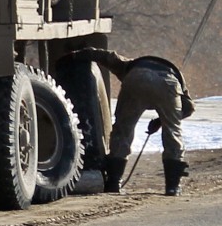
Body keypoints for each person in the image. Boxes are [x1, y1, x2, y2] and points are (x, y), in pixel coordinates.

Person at [66, 48, 195, 196]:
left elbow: (105, 56)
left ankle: (114, 182)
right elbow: (188, 107)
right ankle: (173, 186)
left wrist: (74, 55)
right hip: (168, 82)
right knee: (172, 132)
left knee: (123, 130)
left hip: (135, 78)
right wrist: (161, 121)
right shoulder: (177, 76)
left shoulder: (127, 65)